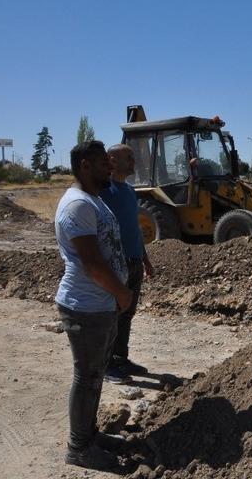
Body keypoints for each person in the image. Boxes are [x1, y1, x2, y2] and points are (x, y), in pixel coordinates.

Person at [55, 141, 132, 469]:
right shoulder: (77, 205)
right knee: (87, 376)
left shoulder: (93, 200)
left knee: (95, 375)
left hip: (100, 303)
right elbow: (92, 264)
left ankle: (89, 435)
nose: (110, 167)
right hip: (85, 306)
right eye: (103, 163)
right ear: (85, 166)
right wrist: (122, 293)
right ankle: (79, 448)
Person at [100, 144, 155, 384]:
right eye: (129, 157)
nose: (134, 162)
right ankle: (106, 364)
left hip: (134, 261)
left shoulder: (130, 191)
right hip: (115, 264)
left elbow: (134, 228)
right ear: (112, 160)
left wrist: (145, 259)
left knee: (127, 314)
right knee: (112, 314)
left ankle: (121, 358)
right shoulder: (103, 192)